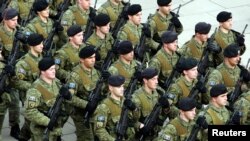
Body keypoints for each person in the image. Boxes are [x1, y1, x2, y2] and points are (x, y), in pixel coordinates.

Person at [24, 57, 70, 141]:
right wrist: (48, 122)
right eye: (51, 69)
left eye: (54, 68)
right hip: (42, 132)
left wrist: (68, 95)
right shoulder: (35, 89)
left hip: (56, 128)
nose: (54, 71)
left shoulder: (55, 81)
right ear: (43, 71)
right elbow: (30, 111)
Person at [66, 46, 100, 141]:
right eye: (90, 58)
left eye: (94, 57)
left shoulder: (96, 71)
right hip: (81, 115)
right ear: (81, 60)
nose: (93, 60)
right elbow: (69, 97)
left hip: (95, 113)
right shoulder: (75, 76)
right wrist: (86, 105)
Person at [15, 33, 44, 140]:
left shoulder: (43, 57)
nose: (42, 45)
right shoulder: (23, 63)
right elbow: (17, 82)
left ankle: (23, 137)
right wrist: (33, 86)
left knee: (30, 123)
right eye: (39, 44)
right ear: (32, 46)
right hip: (30, 97)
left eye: (42, 43)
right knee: (34, 124)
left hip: (44, 95)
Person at [93, 75, 136, 140]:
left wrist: (134, 109)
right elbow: (99, 130)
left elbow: (134, 120)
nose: (122, 89)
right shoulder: (104, 107)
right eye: (119, 87)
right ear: (111, 88)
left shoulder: (126, 102)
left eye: (123, 86)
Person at [0, 8, 21, 139]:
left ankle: (15, 126)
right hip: (2, 70)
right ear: (5, 20)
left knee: (15, 100)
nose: (16, 22)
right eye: (13, 20)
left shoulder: (18, 30)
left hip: (14, 69)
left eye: (17, 19)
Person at [131, 67, 168, 140]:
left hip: (156, 134)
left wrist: (167, 106)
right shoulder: (137, 97)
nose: (157, 82)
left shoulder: (159, 93)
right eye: (153, 79)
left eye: (157, 79)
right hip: (142, 136)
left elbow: (166, 113)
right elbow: (131, 120)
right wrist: (140, 126)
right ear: (145, 80)